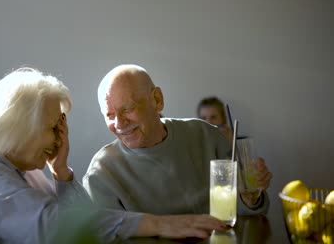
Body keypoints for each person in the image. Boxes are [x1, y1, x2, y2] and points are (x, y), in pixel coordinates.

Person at [0, 68, 229, 244]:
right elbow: (51, 228)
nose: (60, 138)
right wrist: (158, 224)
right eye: (52, 128)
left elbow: (81, 223)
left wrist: (60, 172)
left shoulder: (20, 168)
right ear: (19, 128)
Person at [83, 64, 273, 221]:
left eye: (128, 109)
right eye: (110, 114)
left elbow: (241, 212)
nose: (119, 123)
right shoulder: (102, 172)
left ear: (157, 100)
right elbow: (106, 236)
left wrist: (249, 197)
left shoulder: (204, 135)